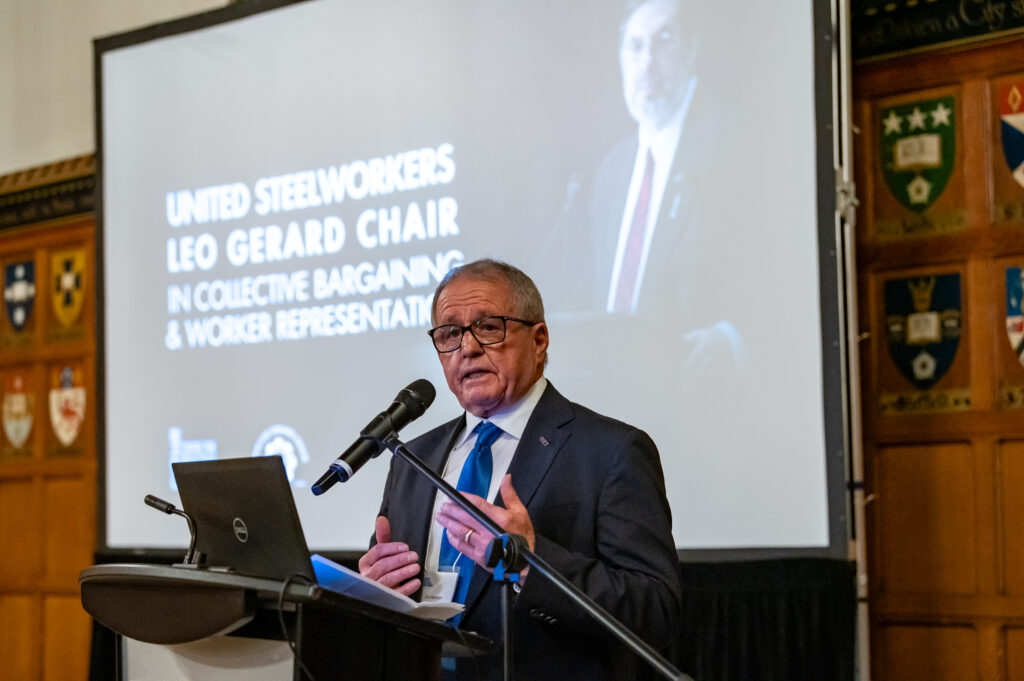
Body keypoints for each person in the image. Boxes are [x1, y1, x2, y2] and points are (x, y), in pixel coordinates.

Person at [357, 259, 681, 680]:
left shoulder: (610, 451)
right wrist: (374, 589)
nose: (468, 348)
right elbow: (395, 590)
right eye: (450, 333)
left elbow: (656, 611)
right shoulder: (414, 457)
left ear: (539, 339)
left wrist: (532, 562)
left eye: (488, 326)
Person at [537, 0, 745, 374]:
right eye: (635, 47)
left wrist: (733, 339)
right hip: (618, 392)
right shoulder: (609, 172)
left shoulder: (736, 143)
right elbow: (594, 291)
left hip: (700, 388)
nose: (647, 63)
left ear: (691, 48)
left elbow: (778, 265)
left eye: (663, 41)